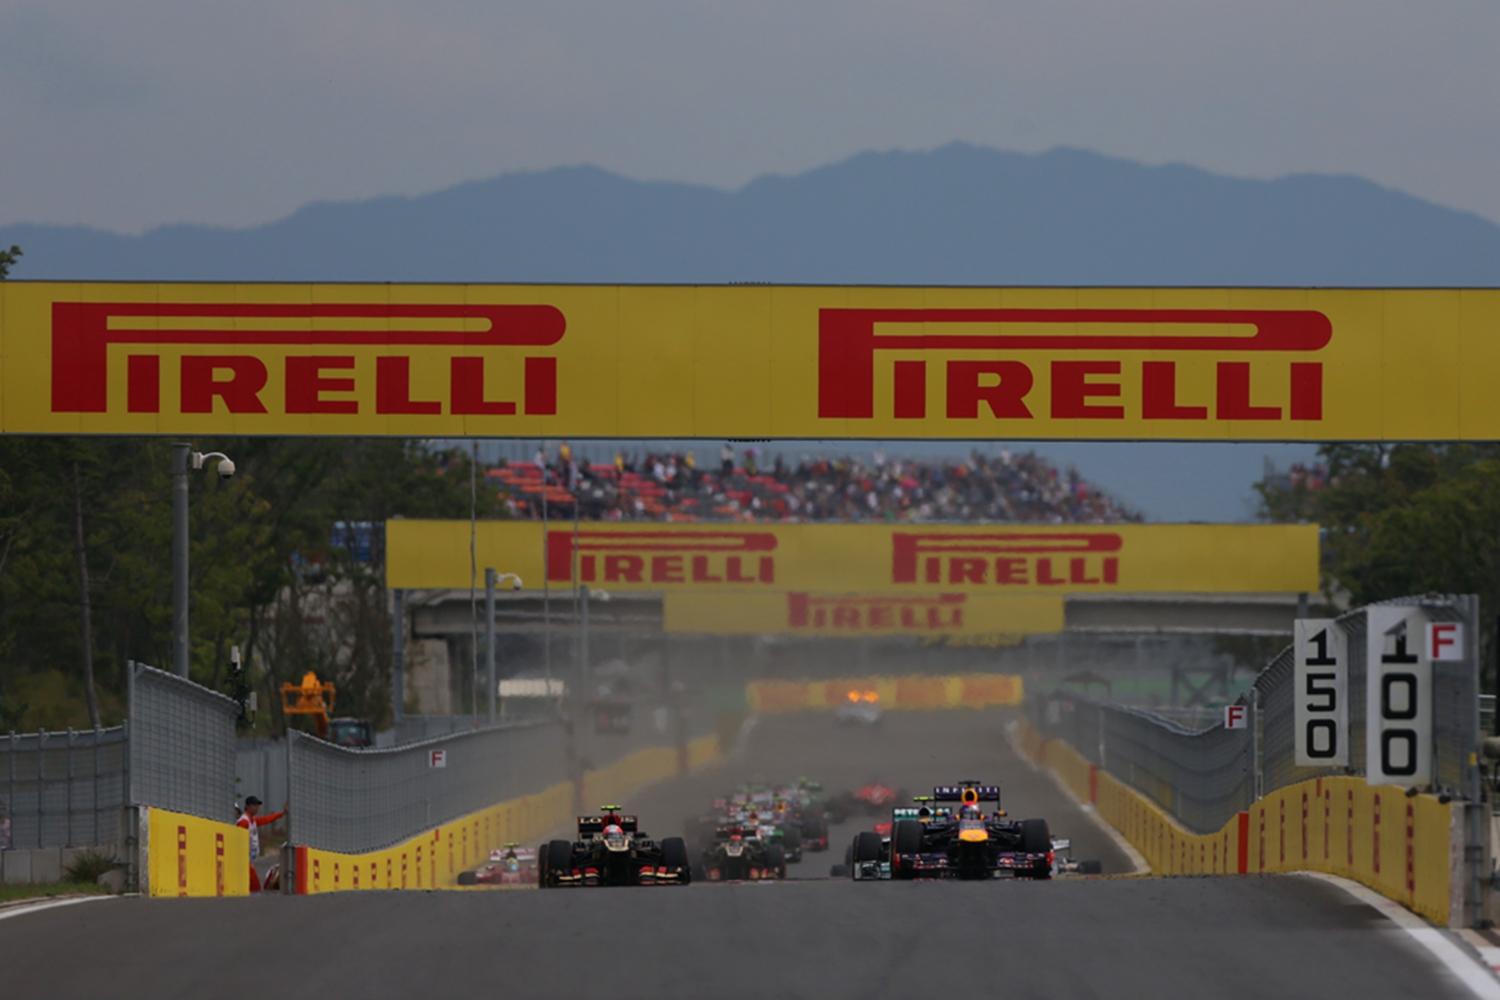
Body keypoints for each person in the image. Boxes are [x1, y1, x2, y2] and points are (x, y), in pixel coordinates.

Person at [237, 796, 287, 892]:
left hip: (248, 858)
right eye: (254, 805)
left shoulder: (252, 820)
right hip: (243, 858)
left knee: (250, 885)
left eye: (257, 805)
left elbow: (266, 819)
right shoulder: (244, 821)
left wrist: (282, 814)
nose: (257, 807)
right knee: (255, 885)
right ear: (247, 806)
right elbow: (238, 840)